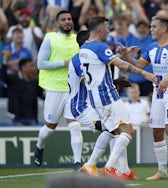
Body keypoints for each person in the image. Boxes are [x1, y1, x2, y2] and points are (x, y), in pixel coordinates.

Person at [119, 15, 168, 181]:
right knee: (157, 132)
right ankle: (162, 171)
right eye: (151, 26)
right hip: (158, 92)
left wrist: (166, 80)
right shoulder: (152, 47)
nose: (151, 30)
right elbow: (138, 66)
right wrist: (126, 56)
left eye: (154, 27)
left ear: (164, 28)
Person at [78, 16, 157, 177]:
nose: (109, 30)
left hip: (98, 97)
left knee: (116, 132)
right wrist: (146, 74)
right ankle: (109, 167)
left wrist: (121, 55)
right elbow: (120, 66)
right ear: (100, 30)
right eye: (107, 28)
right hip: (106, 96)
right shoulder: (100, 46)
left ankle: (123, 171)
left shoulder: (84, 48)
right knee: (128, 131)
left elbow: (101, 63)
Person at [33, 10, 83, 172]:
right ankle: (39, 147)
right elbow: (41, 64)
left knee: (75, 126)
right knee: (49, 128)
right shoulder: (50, 38)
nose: (67, 21)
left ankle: (77, 163)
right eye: (63, 19)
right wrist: (63, 63)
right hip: (54, 89)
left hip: (73, 89)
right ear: (57, 23)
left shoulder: (78, 40)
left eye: (69, 19)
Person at [1, 58, 44, 125]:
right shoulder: (13, 79)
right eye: (31, 66)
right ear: (23, 67)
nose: (33, 68)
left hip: (32, 117)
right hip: (17, 118)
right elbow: (3, 75)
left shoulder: (35, 82)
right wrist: (5, 61)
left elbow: (42, 95)